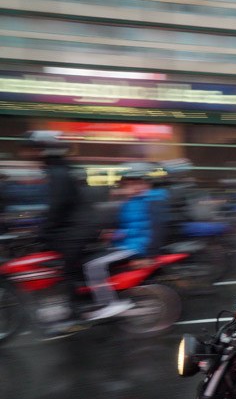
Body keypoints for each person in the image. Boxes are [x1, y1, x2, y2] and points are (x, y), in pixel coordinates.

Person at [81, 162, 169, 320]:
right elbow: (130, 227)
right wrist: (112, 234)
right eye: (129, 183)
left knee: (93, 266)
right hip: (126, 244)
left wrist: (148, 256)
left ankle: (110, 304)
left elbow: (156, 230)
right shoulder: (132, 202)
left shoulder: (150, 201)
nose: (131, 187)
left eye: (136, 183)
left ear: (146, 183)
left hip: (135, 248)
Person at [19, 131, 89, 318]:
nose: (28, 154)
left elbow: (59, 205)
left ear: (44, 149)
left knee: (66, 267)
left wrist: (44, 231)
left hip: (75, 229)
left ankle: (76, 309)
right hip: (72, 225)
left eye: (34, 149)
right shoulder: (57, 169)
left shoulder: (58, 171)